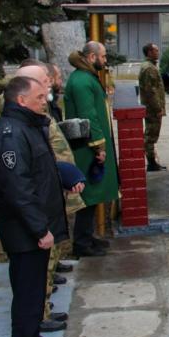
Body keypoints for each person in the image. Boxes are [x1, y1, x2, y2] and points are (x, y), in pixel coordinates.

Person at [0, 77, 69, 337]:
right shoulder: (10, 134)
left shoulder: (29, 126)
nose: (44, 101)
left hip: (34, 229)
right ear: (20, 100)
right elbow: (17, 189)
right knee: (27, 299)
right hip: (26, 234)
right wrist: (39, 229)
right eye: (38, 97)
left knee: (34, 299)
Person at [65, 41, 118, 258]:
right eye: (103, 57)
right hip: (87, 148)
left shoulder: (85, 78)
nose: (105, 61)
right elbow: (89, 115)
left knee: (93, 193)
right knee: (88, 192)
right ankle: (81, 243)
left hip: (89, 145)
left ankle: (87, 236)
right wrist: (99, 146)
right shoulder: (81, 81)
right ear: (92, 57)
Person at [139, 43, 167, 172]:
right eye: (156, 50)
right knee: (150, 136)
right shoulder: (149, 68)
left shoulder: (150, 66)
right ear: (149, 52)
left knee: (151, 135)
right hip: (152, 109)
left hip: (152, 107)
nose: (158, 52)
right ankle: (151, 164)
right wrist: (158, 108)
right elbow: (150, 91)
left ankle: (152, 162)